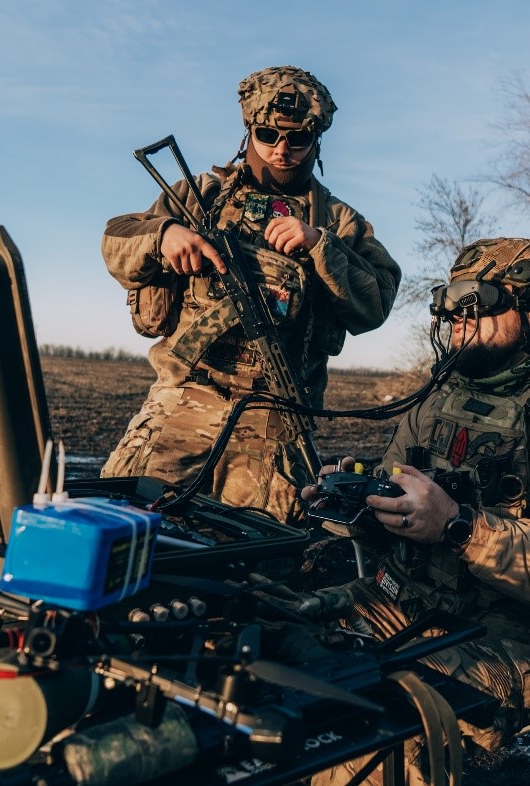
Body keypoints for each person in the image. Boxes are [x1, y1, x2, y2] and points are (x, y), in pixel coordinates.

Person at [303, 238, 530, 785]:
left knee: (375, 733)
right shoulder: (436, 402)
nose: (456, 322)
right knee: (283, 644)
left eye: (476, 309)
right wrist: (355, 501)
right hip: (417, 600)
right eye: (450, 309)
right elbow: (400, 507)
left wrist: (460, 528)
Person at [100, 66, 401, 524]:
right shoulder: (202, 195)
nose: (282, 151)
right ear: (248, 132)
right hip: (181, 404)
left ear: (316, 140)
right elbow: (116, 240)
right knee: (123, 535)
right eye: (268, 135)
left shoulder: (339, 221)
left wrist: (321, 246)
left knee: (257, 567)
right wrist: (163, 235)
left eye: (297, 140)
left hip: (277, 424)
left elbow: (377, 299)